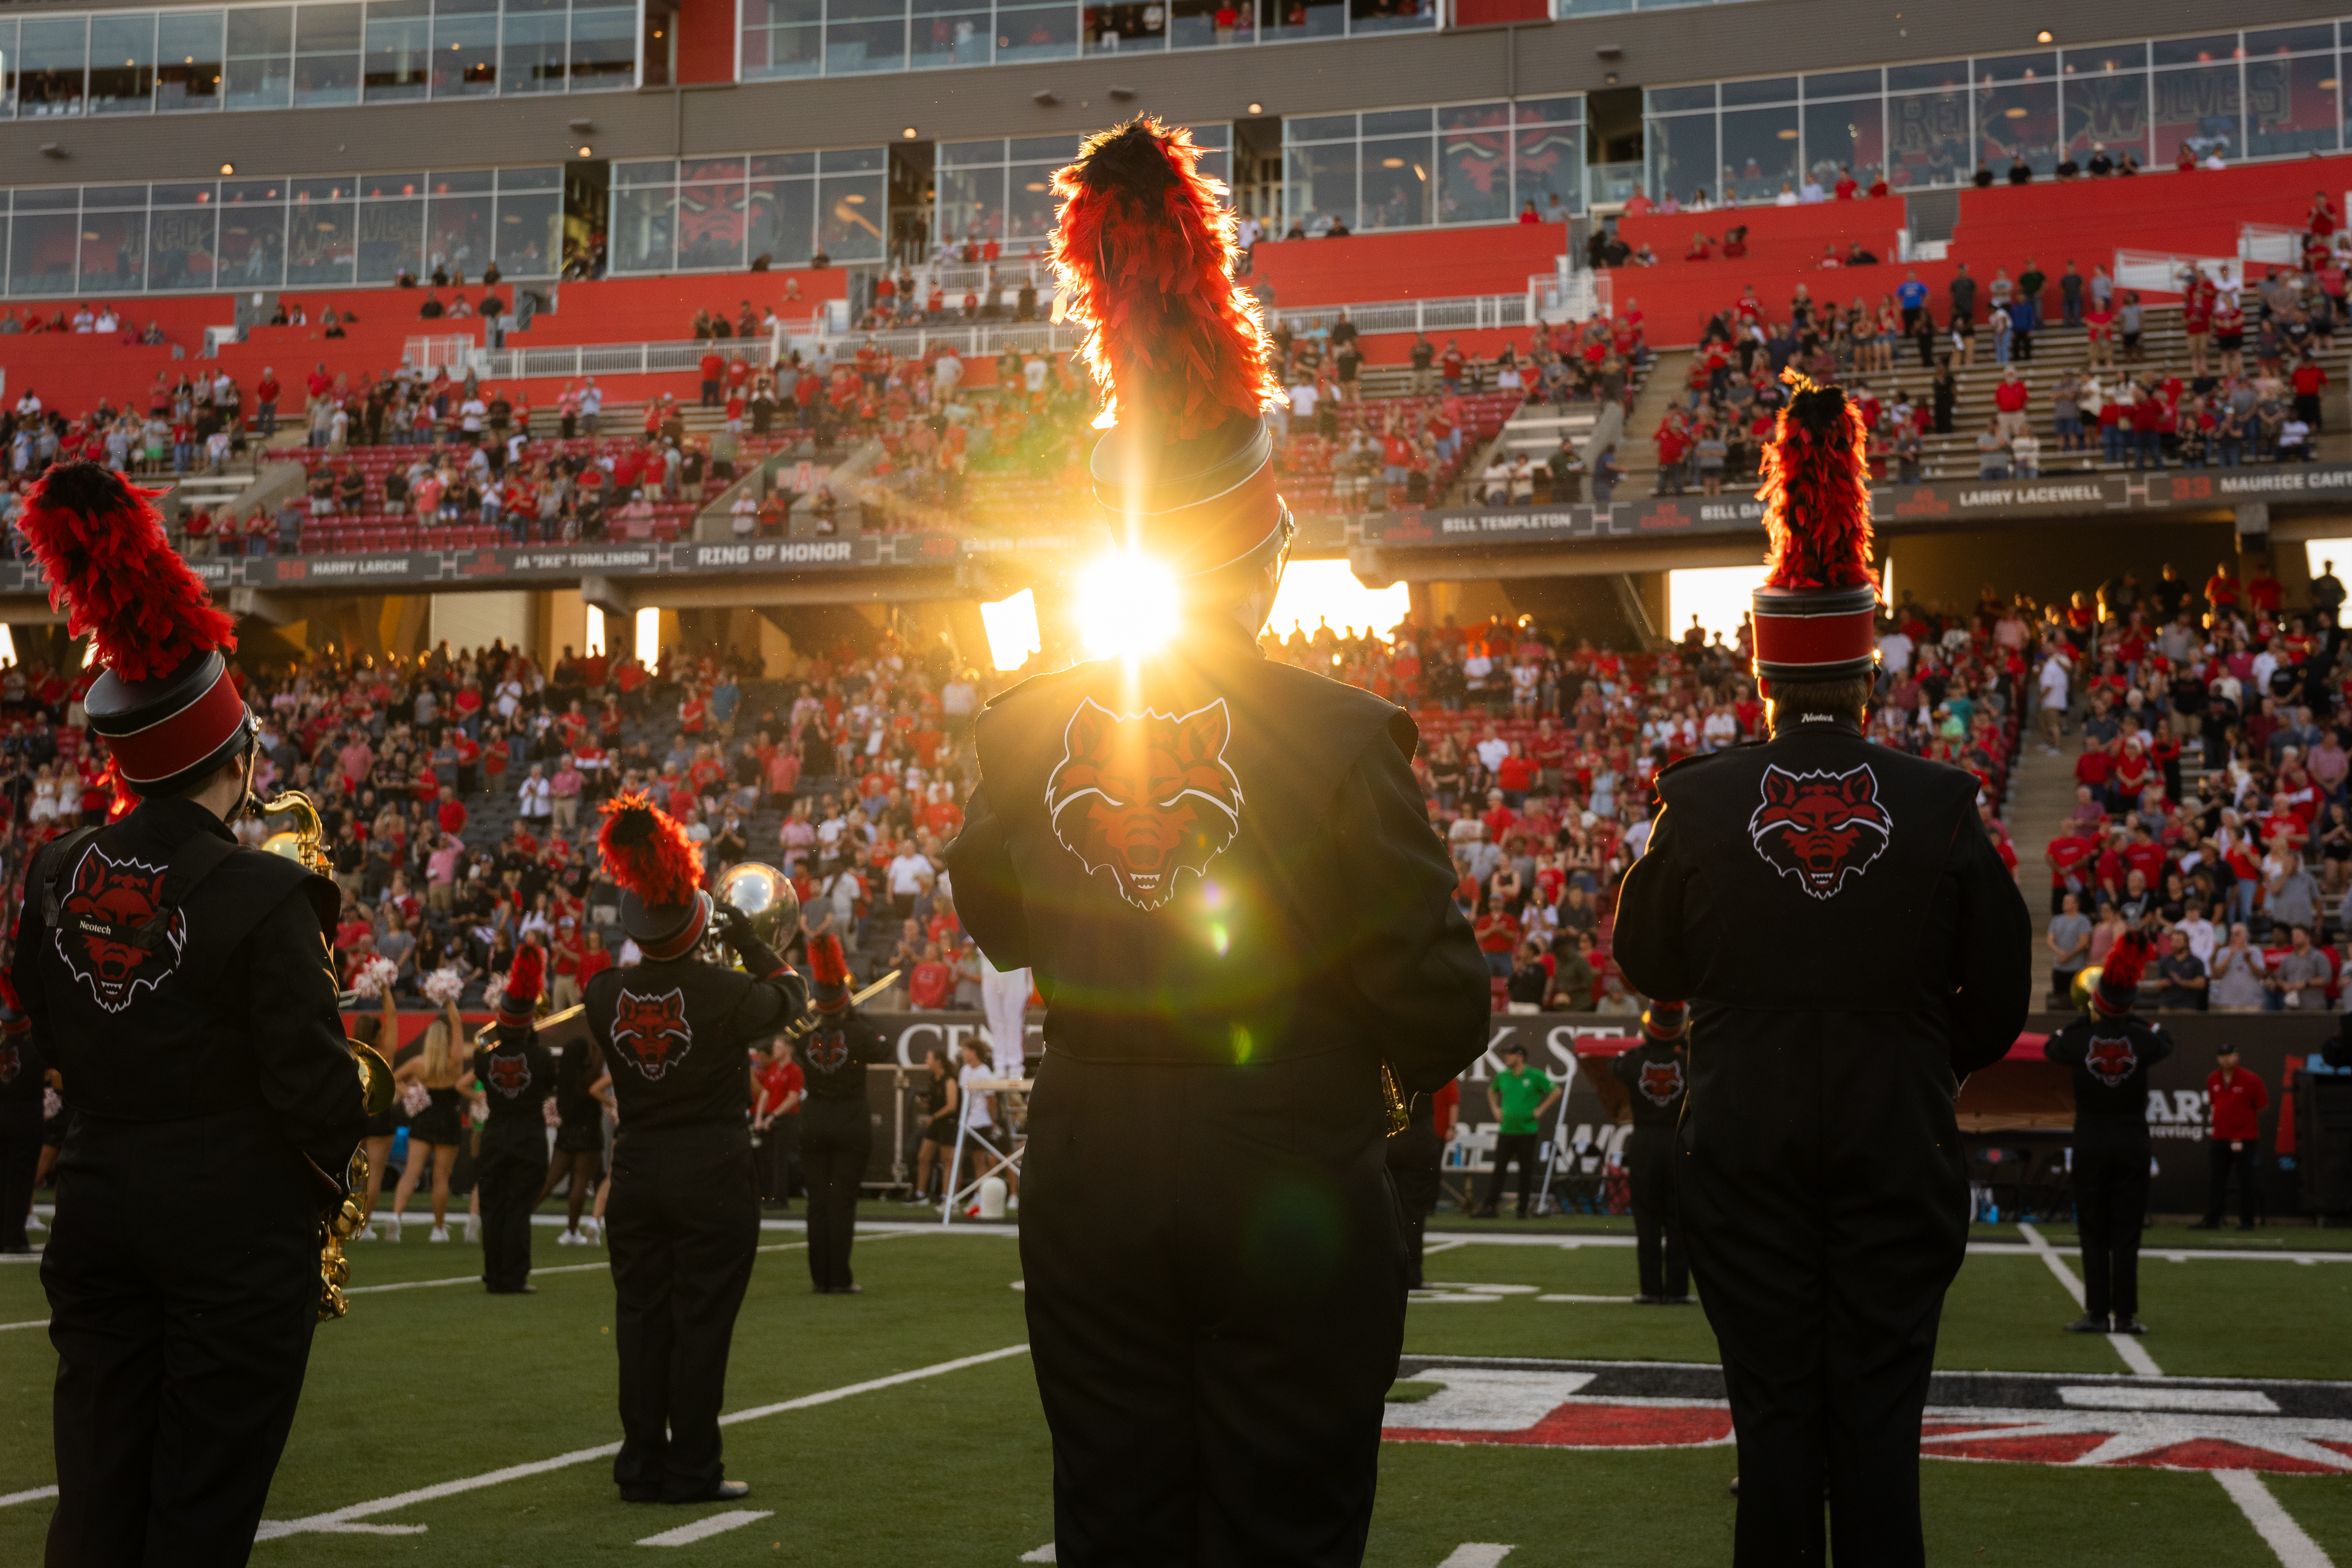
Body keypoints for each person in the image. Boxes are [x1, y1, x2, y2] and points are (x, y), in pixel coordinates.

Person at [945, 118, 1489, 1568]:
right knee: (1283, 1522)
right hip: (1289, 1160)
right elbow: (1437, 998)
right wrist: (1331, 1072)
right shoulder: (1334, 728)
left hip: (1088, 1164)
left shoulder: (1025, 718)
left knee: (1116, 1519)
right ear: (1258, 551)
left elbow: (991, 909)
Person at [1614, 372, 2031, 1568]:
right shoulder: (1945, 802)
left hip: (1740, 1152)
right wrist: (1908, 1046)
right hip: (1897, 1144)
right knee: (1882, 1433)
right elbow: (1996, 997)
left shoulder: (1693, 799)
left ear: (1763, 673)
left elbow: (1646, 955)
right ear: (1867, 674)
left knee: (1777, 1425)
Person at [10, 462, 366, 1564]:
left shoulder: (53, 869)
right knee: (199, 1515)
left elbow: (45, 1039)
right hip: (229, 1232)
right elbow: (318, 1097)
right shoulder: (266, 893)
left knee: (99, 1500)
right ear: (237, 759)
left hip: (99, 1204)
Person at [585, 792, 808, 1504]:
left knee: (642, 1322)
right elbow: (793, 993)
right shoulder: (726, 994)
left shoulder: (601, 993)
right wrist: (741, 934)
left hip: (638, 1170)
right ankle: (693, 1469)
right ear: (694, 919)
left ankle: (640, 1465)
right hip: (711, 1175)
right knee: (701, 1322)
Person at [2043, 935, 2171, 1335]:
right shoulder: (2143, 1036)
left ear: (2096, 1004)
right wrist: (2131, 1020)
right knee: (2127, 1233)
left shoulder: (2078, 1038)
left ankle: (2097, 1314)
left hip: (2091, 1141)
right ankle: (2127, 1316)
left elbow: (2051, 1047)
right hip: (2132, 1141)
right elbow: (2164, 1040)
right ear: (2130, 1006)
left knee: (2094, 1230)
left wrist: (2087, 1019)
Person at [795, 934, 887, 1291]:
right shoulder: (860, 1032)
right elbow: (885, 1050)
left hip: (814, 1120)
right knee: (842, 1204)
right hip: (850, 1122)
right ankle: (840, 1278)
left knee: (817, 1204)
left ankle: (820, 1279)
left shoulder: (804, 1033)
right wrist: (855, 1016)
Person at [473, 946, 554, 1293]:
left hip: (495, 1134)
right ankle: (515, 1276)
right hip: (529, 1136)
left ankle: (494, 1276)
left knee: (493, 1207)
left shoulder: (482, 1058)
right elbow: (545, 1084)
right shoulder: (542, 1057)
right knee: (519, 1209)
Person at [1609, 999, 1692, 1305]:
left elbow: (1612, 1067)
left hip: (1644, 1143)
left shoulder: (1632, 1061)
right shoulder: (1689, 1061)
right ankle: (1678, 1291)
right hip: (1679, 1143)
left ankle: (1650, 1289)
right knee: (1679, 1220)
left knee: (1646, 1218)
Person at [388, 997, 475, 1242]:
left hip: (423, 1120)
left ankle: (395, 1217)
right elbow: (457, 1022)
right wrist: (449, 1001)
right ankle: (438, 1229)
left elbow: (393, 1077)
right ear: (447, 1040)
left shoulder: (418, 1064)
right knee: (441, 1177)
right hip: (448, 1120)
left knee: (411, 1172)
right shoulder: (455, 1061)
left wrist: (411, 1094)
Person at [541, 1018, 614, 1245]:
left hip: (566, 1133)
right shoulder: (590, 1075)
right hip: (589, 1133)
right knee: (580, 1183)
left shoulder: (565, 1076)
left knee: (549, 1182)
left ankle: (518, 1220)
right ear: (584, 1055)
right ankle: (572, 1232)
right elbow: (602, 1049)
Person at [1385, 1071, 1457, 1289]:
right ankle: (1412, 1275)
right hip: (1417, 1142)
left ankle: (1385, 1275)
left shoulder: (1385, 1070)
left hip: (1388, 1141)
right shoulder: (1423, 1068)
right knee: (1414, 1213)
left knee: (1385, 1213)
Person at [1476, 1040, 1558, 1218]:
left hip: (1527, 1131)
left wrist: (1540, 1110)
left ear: (1520, 1057)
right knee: (1499, 1170)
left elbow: (1555, 1090)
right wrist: (1495, 1109)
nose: (1507, 1057)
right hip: (1506, 1131)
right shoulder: (1503, 1075)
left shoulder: (1534, 1075)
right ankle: (1490, 1208)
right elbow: (1492, 1090)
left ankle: (1522, 1209)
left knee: (1525, 1171)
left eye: (1511, 1054)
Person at [2194, 1043, 2268, 1231]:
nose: (2226, 1059)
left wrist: (2243, 1123)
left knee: (2246, 1178)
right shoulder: (2213, 1079)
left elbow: (2262, 1106)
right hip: (2220, 1136)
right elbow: (2214, 1103)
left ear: (2237, 1057)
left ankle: (2247, 1221)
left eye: (2229, 1055)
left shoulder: (2251, 1079)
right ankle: (2212, 1219)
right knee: (2217, 1179)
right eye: (2222, 1055)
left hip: (2243, 1138)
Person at [0, 979, 45, 1252]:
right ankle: (14, 1239)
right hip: (26, 1117)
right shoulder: (35, 1048)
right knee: (20, 1181)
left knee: (3, 1178)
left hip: (2, 1113)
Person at [752, 1036, 803, 1212]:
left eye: (778, 1047)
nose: (775, 1050)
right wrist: (759, 1117)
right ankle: (767, 1196)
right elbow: (765, 1093)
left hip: (785, 1119)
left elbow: (792, 1098)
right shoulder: (773, 1068)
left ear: (788, 1049)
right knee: (766, 1159)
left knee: (780, 1160)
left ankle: (780, 1199)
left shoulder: (795, 1071)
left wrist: (773, 1116)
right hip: (768, 1118)